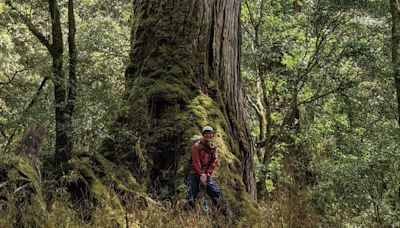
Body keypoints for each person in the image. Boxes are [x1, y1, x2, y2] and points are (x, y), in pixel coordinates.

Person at [185, 126, 227, 215]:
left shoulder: (213, 148)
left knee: (215, 192)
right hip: (194, 173)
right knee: (191, 193)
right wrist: (201, 174)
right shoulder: (196, 146)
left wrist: (207, 174)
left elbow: (213, 163)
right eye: (206, 133)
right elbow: (196, 161)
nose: (208, 135)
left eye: (210, 133)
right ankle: (188, 215)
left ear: (212, 135)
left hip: (206, 175)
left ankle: (224, 213)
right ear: (203, 135)